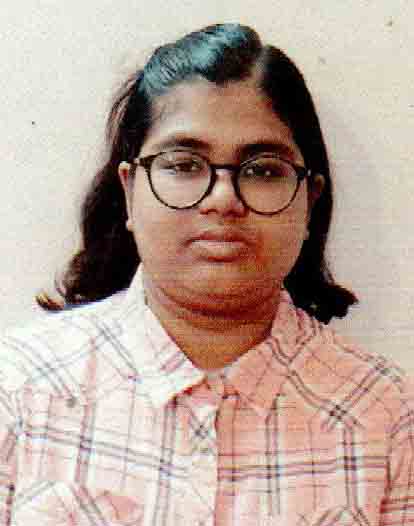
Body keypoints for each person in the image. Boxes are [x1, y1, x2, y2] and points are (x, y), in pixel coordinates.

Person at [0, 23, 412, 526]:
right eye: (183, 164)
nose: (222, 200)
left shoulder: (387, 415)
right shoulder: (18, 390)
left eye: (262, 170)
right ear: (129, 191)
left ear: (309, 200)